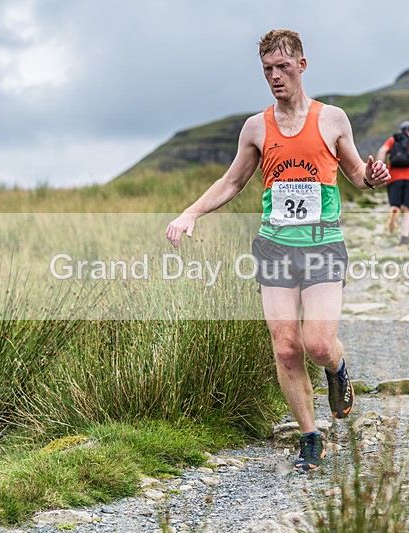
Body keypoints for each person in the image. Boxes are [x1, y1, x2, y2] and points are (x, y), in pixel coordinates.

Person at [165, 29, 390, 473]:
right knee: (286, 349)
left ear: (302, 66)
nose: (275, 77)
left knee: (318, 343)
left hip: (323, 244)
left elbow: (356, 173)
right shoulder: (256, 127)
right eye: (267, 69)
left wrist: (374, 175)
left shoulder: (332, 119)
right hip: (274, 247)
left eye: (283, 67)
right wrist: (190, 213)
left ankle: (337, 368)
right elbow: (232, 182)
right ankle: (310, 436)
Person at [376, 121, 409, 248]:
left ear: (400, 131)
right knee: (408, 210)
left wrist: (379, 170)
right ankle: (403, 241)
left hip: (393, 177)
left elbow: (382, 150)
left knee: (395, 204)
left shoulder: (393, 140)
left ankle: (394, 210)